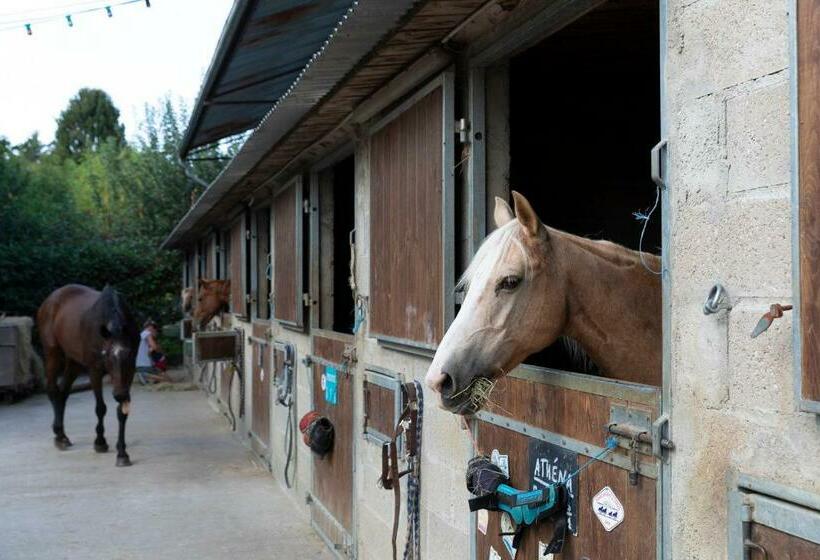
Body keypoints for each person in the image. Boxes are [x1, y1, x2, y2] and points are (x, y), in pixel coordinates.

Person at [135, 319, 172, 384]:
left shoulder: (141, 335)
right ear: (150, 327)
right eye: (154, 328)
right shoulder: (147, 333)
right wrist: (157, 348)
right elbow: (154, 347)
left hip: (139, 366)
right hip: (146, 366)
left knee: (161, 373)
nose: (155, 330)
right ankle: (146, 376)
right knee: (167, 379)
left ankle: (145, 377)